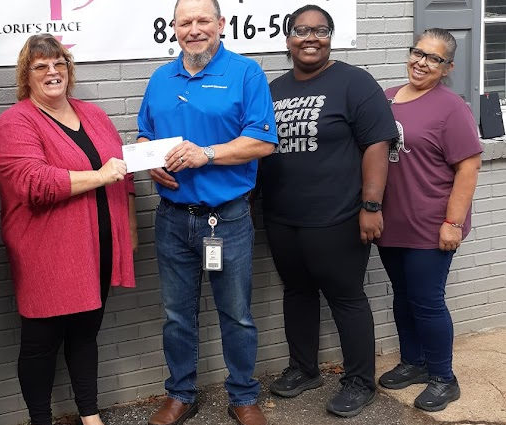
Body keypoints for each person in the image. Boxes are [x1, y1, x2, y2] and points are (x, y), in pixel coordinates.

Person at [137, 1, 278, 424]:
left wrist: (208, 154)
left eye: (203, 21)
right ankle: (181, 393)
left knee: (236, 314)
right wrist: (151, 161)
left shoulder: (245, 73)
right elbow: (146, 133)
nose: (194, 29)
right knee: (177, 315)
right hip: (173, 217)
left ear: (221, 24)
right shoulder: (161, 78)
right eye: (185, 22)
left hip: (228, 217)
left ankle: (243, 395)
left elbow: (263, 142)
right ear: (173, 29)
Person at [258, 4, 399, 418]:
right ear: (288, 39)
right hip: (283, 217)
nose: (310, 38)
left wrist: (371, 206)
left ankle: (359, 381)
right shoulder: (274, 89)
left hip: (338, 217)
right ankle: (304, 369)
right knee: (296, 293)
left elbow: (377, 145)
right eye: (301, 30)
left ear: (331, 37)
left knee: (346, 298)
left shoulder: (354, 82)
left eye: (320, 30)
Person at [0, 34, 137, 425]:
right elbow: (32, 183)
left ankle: (89, 414)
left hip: (98, 248)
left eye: (60, 64)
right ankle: (40, 418)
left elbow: (123, 174)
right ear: (27, 76)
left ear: (70, 71)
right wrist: (98, 175)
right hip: (47, 254)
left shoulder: (94, 115)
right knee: (41, 344)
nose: (52, 72)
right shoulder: (16, 121)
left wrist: (130, 228)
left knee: (86, 333)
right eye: (41, 66)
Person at [376, 28, 482, 412]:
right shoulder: (386, 98)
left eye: (433, 58)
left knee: (427, 301)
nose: (421, 62)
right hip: (391, 221)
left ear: (448, 67)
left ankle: (443, 377)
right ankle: (414, 362)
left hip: (431, 222)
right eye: (417, 53)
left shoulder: (451, 106)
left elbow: (469, 166)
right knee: (403, 297)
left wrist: (453, 222)